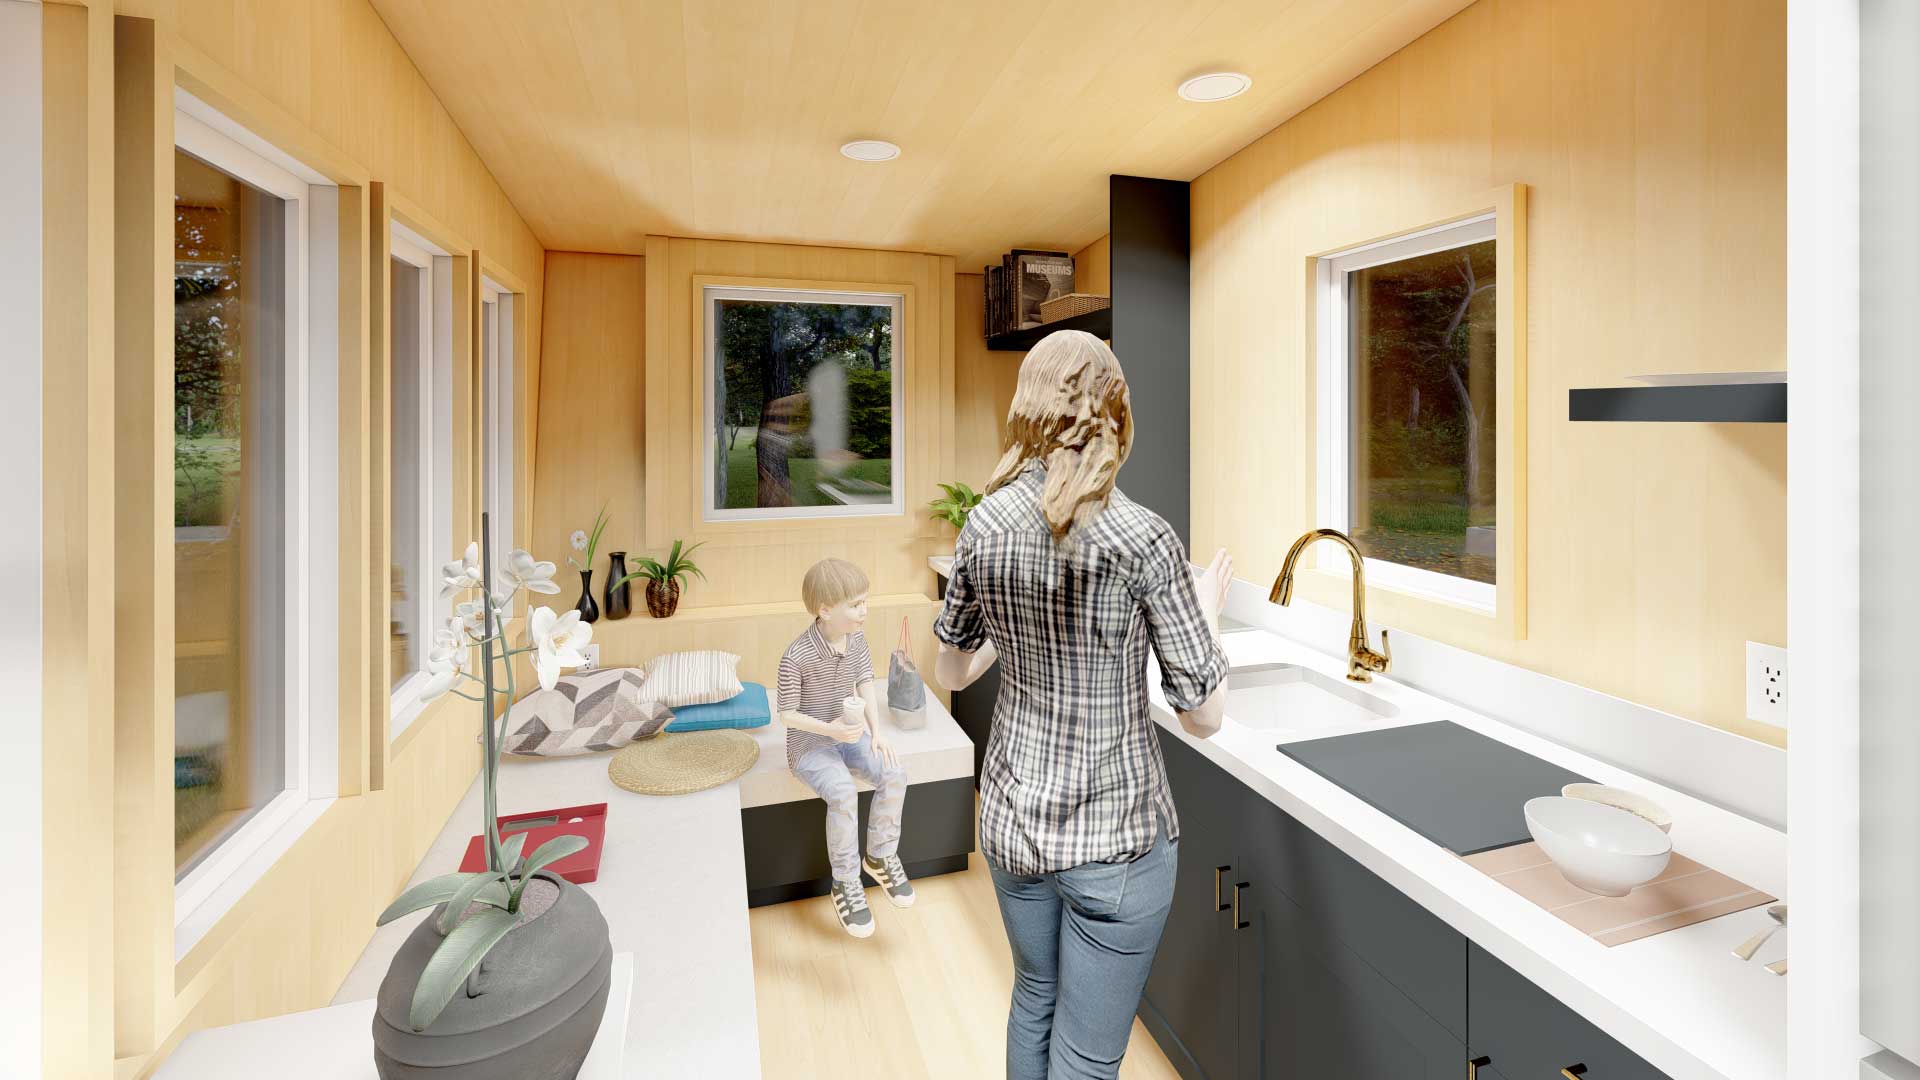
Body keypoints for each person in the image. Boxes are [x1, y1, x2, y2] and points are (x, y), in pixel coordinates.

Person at [933, 329, 1233, 1079]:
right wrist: (1207, 612)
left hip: (1010, 823)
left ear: (1030, 408)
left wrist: (1018, 620)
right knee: (1088, 1058)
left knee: (1034, 995)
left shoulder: (985, 523)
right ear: (1113, 411)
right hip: (1116, 838)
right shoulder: (1144, 538)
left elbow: (953, 669)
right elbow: (1205, 714)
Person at [778, 557, 914, 938]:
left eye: (865, 602)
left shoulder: (857, 641)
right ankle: (845, 882)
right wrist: (829, 729)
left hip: (851, 736)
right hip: (809, 746)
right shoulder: (796, 656)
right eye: (855, 605)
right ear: (824, 610)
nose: (864, 612)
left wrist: (877, 732)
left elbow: (866, 681)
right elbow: (786, 714)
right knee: (842, 791)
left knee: (895, 772)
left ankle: (881, 855)